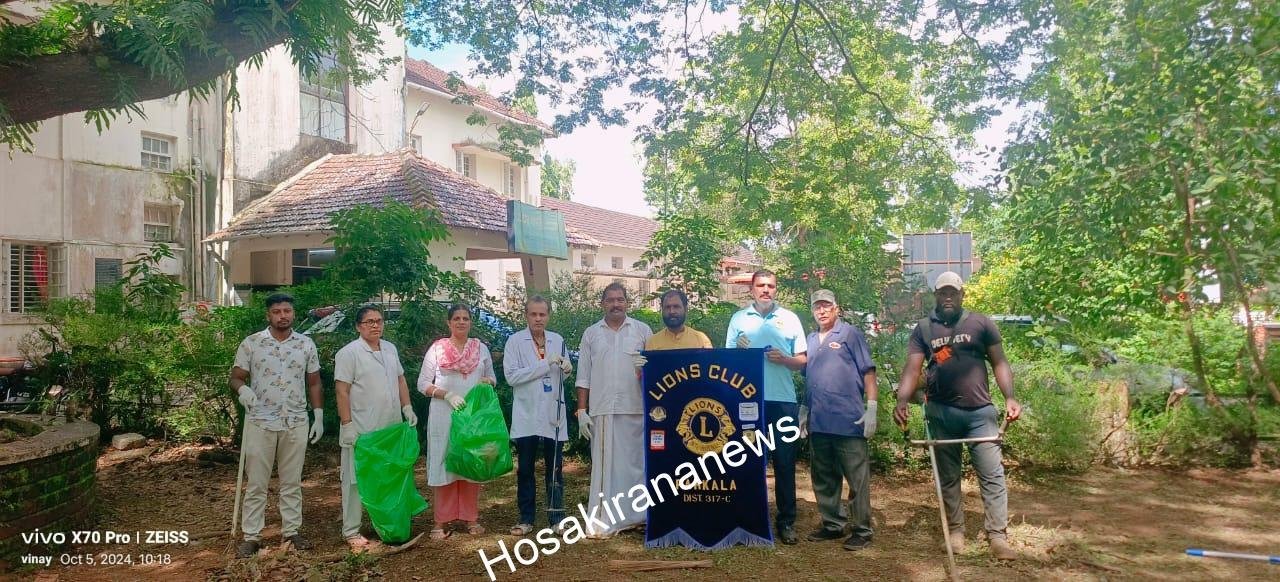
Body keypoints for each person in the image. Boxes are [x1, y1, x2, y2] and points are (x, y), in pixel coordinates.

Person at [893, 271, 1021, 560]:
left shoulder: (981, 323)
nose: (948, 297)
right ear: (936, 296)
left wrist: (1010, 397)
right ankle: (956, 533)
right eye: (943, 293)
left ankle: (997, 537)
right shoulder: (924, 328)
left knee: (992, 475)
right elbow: (913, 369)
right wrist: (901, 400)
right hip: (941, 413)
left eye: (953, 292)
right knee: (948, 477)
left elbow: (1000, 362)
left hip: (980, 414)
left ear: (962, 294)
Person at [229, 293, 324, 558]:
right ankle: (252, 536)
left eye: (287, 311)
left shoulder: (305, 344)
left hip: (295, 420)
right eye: (277, 311)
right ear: (268, 315)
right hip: (261, 420)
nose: (283, 316)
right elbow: (236, 377)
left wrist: (318, 415)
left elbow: (314, 382)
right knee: (257, 482)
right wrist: (243, 390)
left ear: (293, 313)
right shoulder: (252, 343)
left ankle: (291, 531)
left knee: (292, 481)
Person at [725, 269, 807, 544]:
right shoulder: (739, 319)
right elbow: (725, 363)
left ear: (776, 289)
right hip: (747, 401)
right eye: (760, 285)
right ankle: (750, 519)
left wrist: (785, 359)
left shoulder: (790, 319)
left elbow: (802, 361)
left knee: (784, 462)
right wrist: (738, 352)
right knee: (748, 461)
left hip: (782, 400)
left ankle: (786, 522)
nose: (765, 290)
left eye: (770, 286)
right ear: (752, 289)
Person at [334, 305, 418, 551]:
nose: (375, 325)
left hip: (390, 426)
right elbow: (342, 390)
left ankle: (385, 524)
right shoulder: (349, 353)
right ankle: (351, 529)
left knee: (388, 476)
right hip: (362, 428)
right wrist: (347, 424)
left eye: (379, 321)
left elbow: (400, 379)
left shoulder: (390, 348)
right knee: (355, 479)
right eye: (369, 322)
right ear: (358, 326)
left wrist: (407, 407)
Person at [801, 289, 878, 551]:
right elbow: (810, 377)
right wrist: (804, 410)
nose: (821, 311)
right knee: (824, 477)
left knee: (857, 479)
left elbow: (868, 372)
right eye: (817, 307)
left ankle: (862, 529)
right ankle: (832, 524)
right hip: (819, 421)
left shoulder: (850, 334)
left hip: (848, 420)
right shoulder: (811, 339)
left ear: (836, 308)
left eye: (826, 306)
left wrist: (872, 407)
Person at [575, 282, 653, 538]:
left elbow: (655, 372)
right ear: (602, 304)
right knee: (605, 468)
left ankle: (639, 516)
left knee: (635, 466)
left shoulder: (642, 330)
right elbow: (583, 375)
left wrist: (645, 369)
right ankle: (604, 519)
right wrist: (582, 411)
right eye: (610, 300)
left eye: (620, 299)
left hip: (636, 408)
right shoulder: (591, 333)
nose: (616, 304)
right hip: (603, 409)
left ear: (627, 303)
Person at [418, 304, 497, 541]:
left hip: (472, 416)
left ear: (470, 322)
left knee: (470, 462)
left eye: (465, 318)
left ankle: (471, 518)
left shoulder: (480, 348)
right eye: (456, 318)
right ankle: (440, 521)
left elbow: (493, 378)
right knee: (444, 463)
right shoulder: (437, 349)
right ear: (449, 323)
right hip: (444, 415)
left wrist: (487, 382)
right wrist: (446, 395)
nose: (461, 322)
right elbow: (422, 383)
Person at [503, 296, 573, 536]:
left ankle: (557, 518)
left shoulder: (557, 340)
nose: (538, 319)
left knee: (555, 468)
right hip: (527, 413)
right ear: (526, 315)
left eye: (542, 314)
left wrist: (567, 369)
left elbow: (560, 374)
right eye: (533, 314)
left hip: (553, 412)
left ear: (548, 316)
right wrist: (545, 365)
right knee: (525, 468)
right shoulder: (515, 341)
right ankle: (526, 518)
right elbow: (512, 377)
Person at [644, 289, 713, 351]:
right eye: (667, 307)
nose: (672, 311)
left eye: (676, 307)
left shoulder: (701, 340)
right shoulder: (653, 342)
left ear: (685, 309)